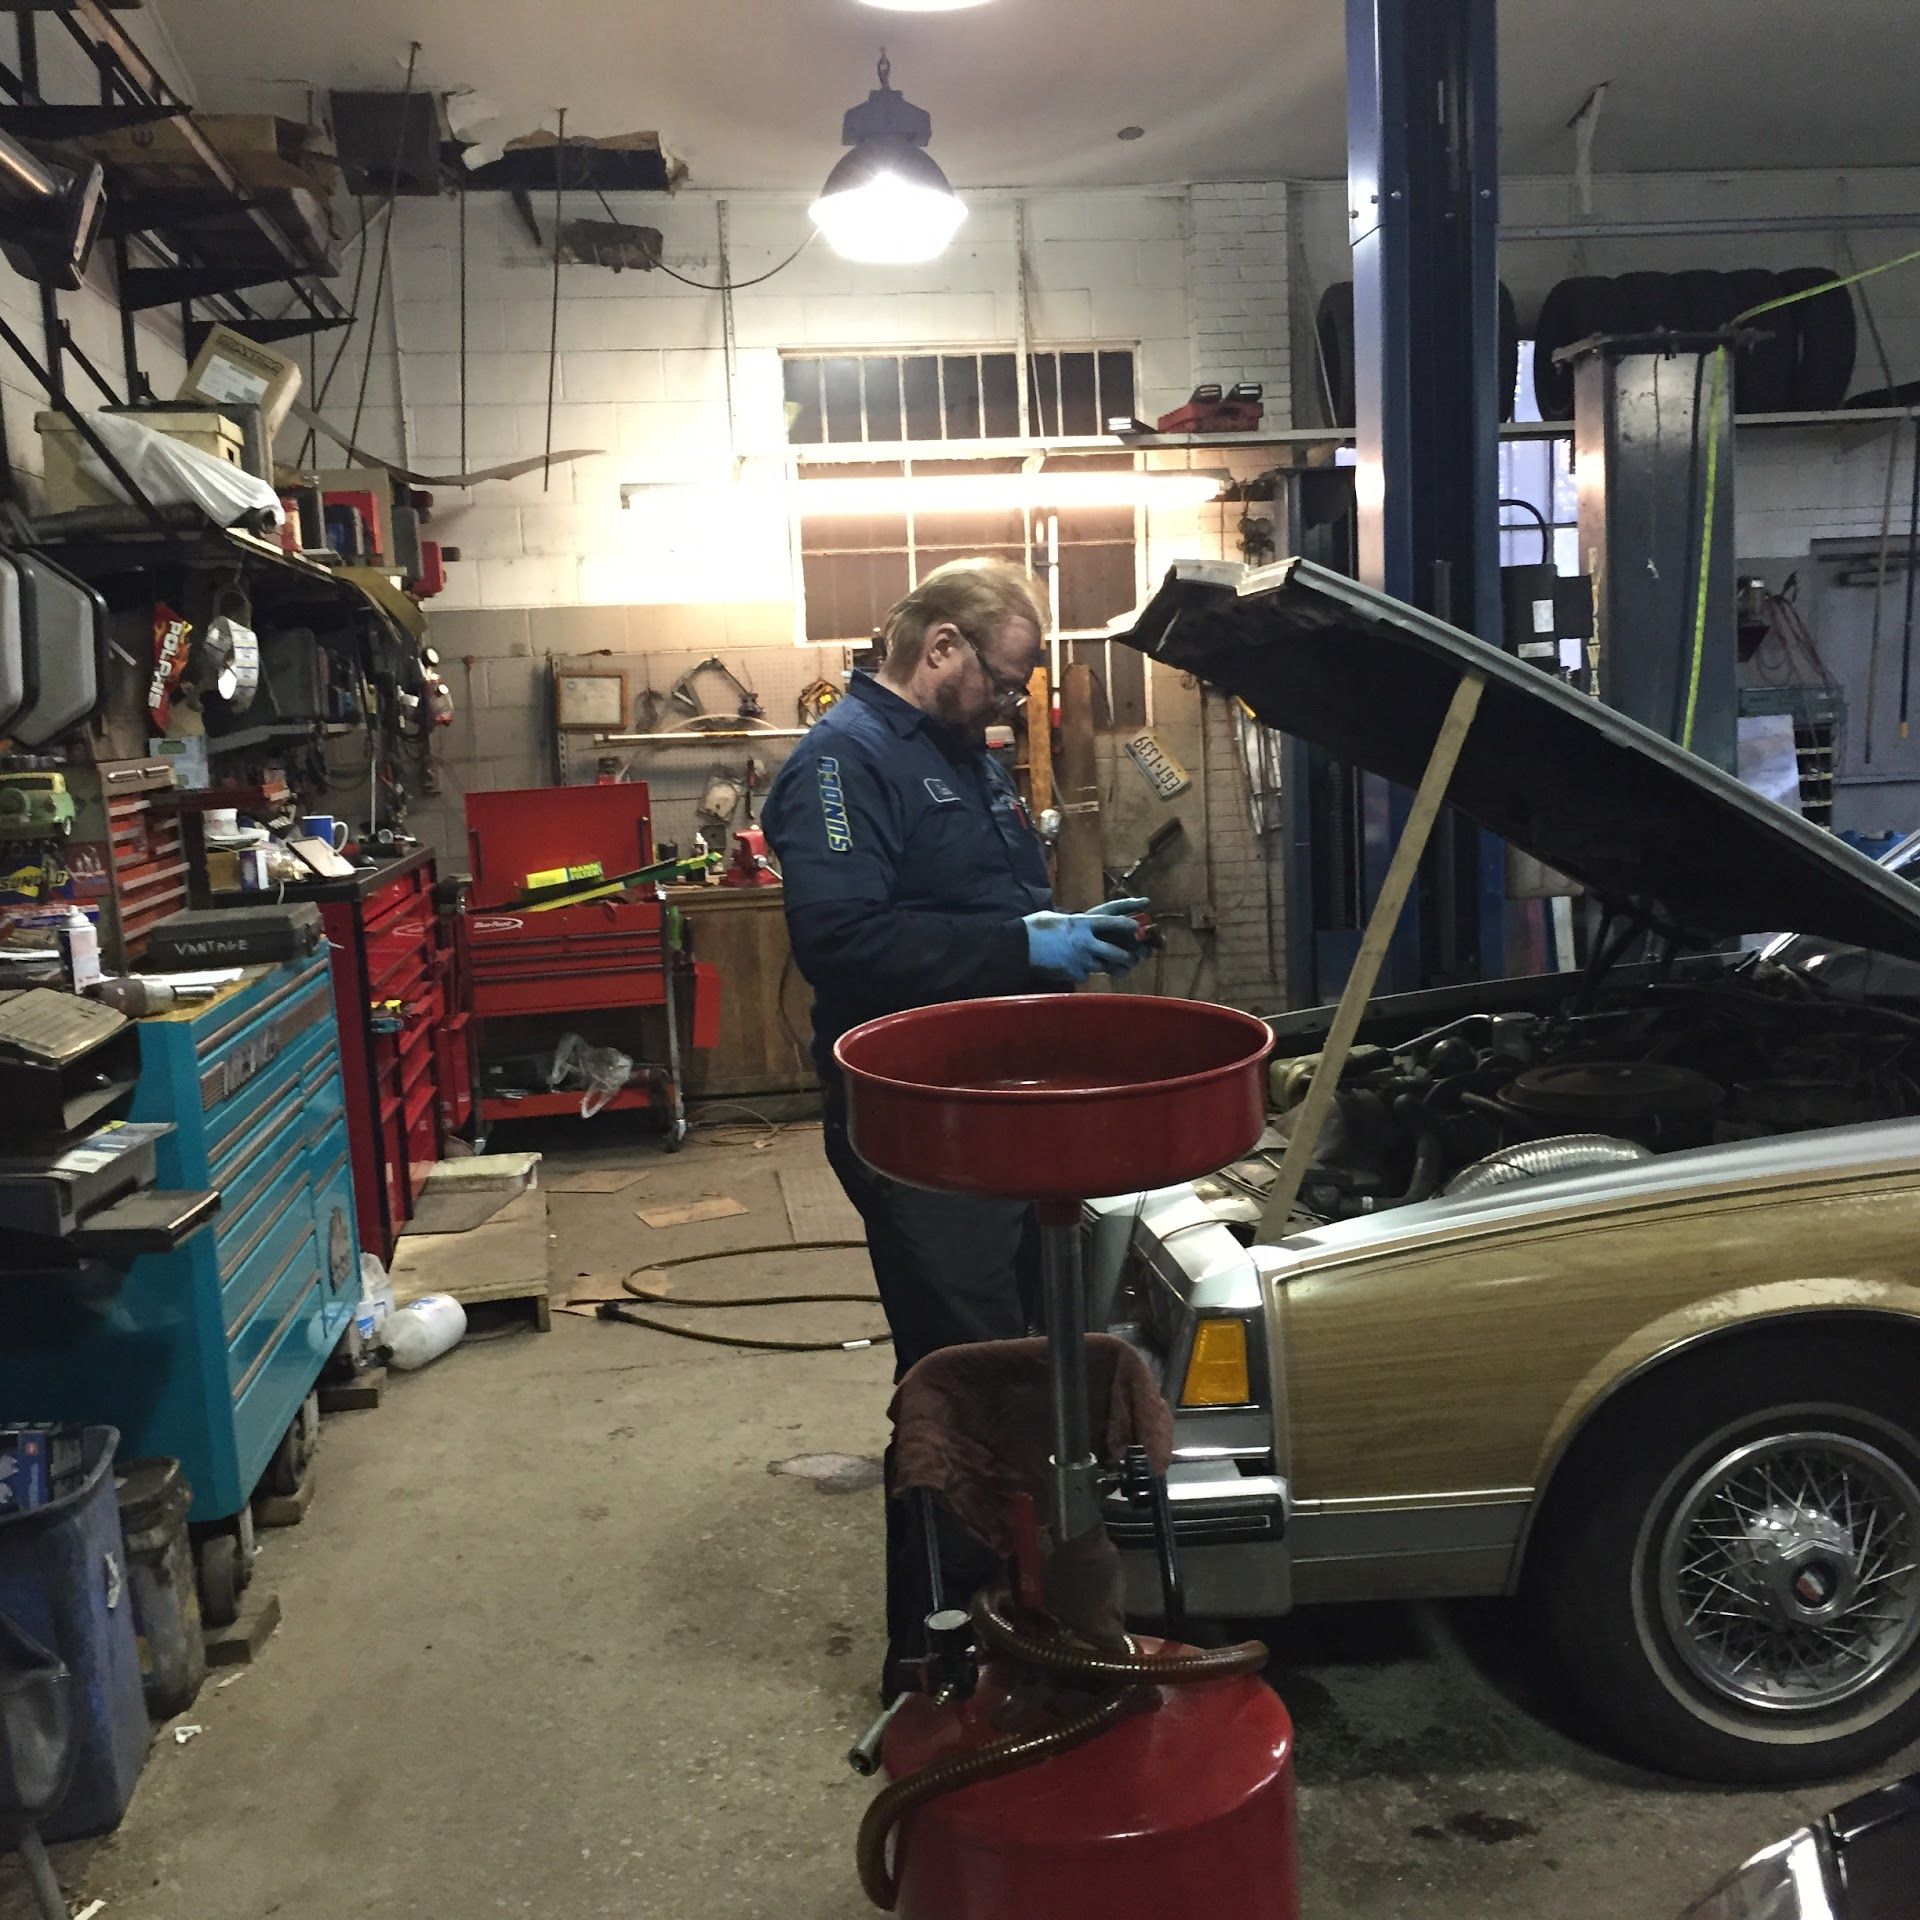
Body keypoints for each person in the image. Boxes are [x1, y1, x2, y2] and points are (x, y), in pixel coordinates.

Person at [762, 557, 1148, 1694]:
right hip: (918, 1130)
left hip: (1000, 1116)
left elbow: (974, 907)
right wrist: (1024, 949)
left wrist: (1054, 926)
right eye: (1005, 680)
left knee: (1032, 1370)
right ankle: (933, 1650)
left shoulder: (953, 755)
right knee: (964, 1380)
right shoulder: (842, 764)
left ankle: (1027, 1619)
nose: (1012, 703)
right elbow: (843, 942)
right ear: (939, 647)